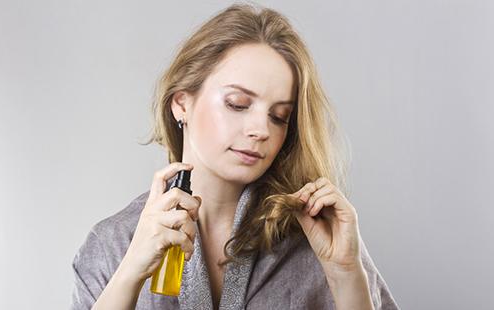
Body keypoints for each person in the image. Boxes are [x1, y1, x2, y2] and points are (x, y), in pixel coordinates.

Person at [70, 3, 400, 310]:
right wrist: (130, 273)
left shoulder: (319, 239)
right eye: (238, 104)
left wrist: (345, 274)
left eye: (279, 116)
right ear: (182, 103)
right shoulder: (112, 244)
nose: (261, 130)